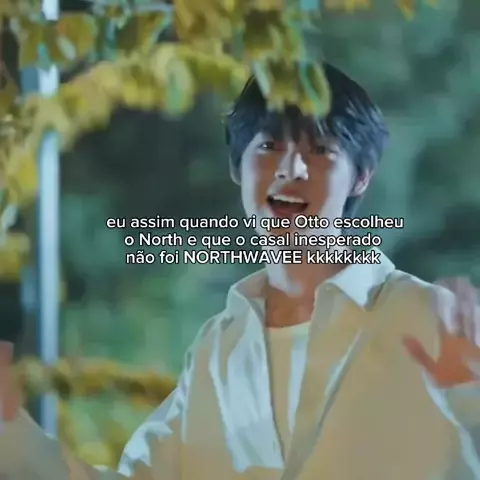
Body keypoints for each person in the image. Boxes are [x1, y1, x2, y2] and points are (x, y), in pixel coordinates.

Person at [1, 64, 480, 480]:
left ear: (361, 176)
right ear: (237, 167)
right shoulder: (219, 347)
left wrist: (471, 404)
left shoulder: (427, 319)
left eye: (321, 150)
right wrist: (9, 430)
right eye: (269, 145)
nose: (291, 168)